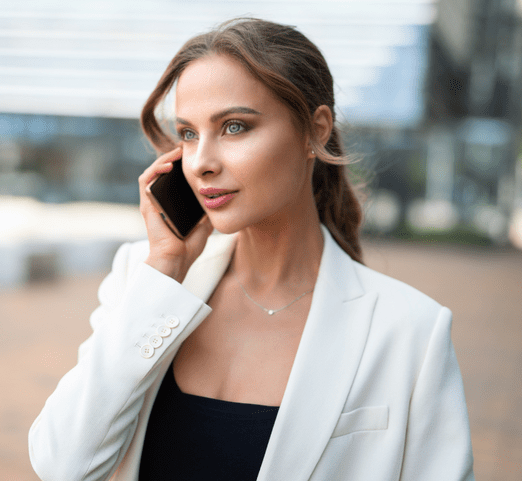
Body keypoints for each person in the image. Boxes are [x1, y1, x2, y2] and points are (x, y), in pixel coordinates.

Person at [29, 18, 474, 480]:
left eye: (235, 127)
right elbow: (63, 466)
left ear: (315, 131)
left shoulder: (410, 332)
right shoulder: (143, 283)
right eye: (187, 134)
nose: (201, 162)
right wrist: (164, 268)